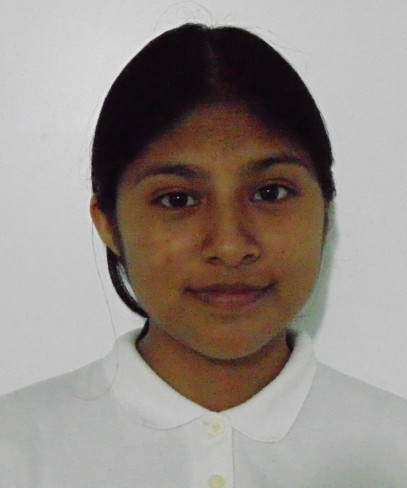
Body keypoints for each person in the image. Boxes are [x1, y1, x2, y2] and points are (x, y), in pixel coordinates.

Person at [1, 22, 406, 487]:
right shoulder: (16, 452)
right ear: (108, 223)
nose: (230, 246)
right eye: (177, 200)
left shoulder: (393, 449)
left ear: (325, 212)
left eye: (270, 193)